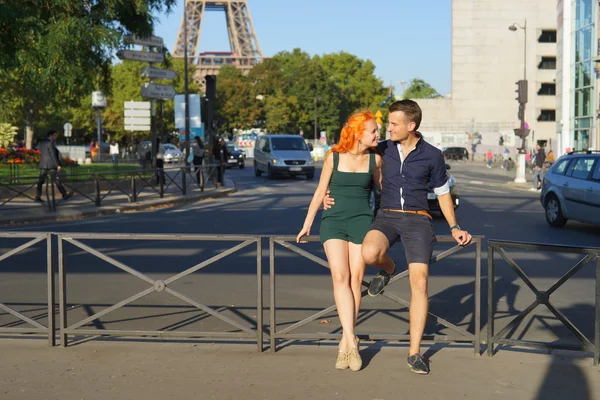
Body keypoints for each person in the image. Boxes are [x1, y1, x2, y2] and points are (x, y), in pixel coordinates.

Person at [324, 100, 472, 375]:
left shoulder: (433, 155)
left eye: (393, 124)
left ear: (411, 126)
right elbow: (349, 158)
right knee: (369, 254)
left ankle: (414, 353)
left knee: (420, 282)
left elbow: (442, 194)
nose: (387, 128)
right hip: (387, 217)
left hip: (418, 220)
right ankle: (389, 268)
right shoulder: (381, 149)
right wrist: (327, 195)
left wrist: (454, 227)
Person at [296, 111, 381, 372]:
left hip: (362, 221)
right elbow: (321, 191)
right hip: (333, 221)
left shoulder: (376, 160)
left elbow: (382, 193)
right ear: (358, 133)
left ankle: (346, 341)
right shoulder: (332, 157)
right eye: (374, 131)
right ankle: (351, 343)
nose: (378, 135)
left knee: (356, 280)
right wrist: (308, 222)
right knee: (340, 277)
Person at [35, 130, 72, 202]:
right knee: (56, 180)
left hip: (43, 164)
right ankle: (64, 194)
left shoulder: (42, 141)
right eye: (55, 135)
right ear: (50, 135)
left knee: (41, 181)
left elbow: (38, 149)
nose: (56, 137)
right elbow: (53, 155)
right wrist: (57, 165)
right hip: (51, 165)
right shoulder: (50, 142)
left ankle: (37, 196)